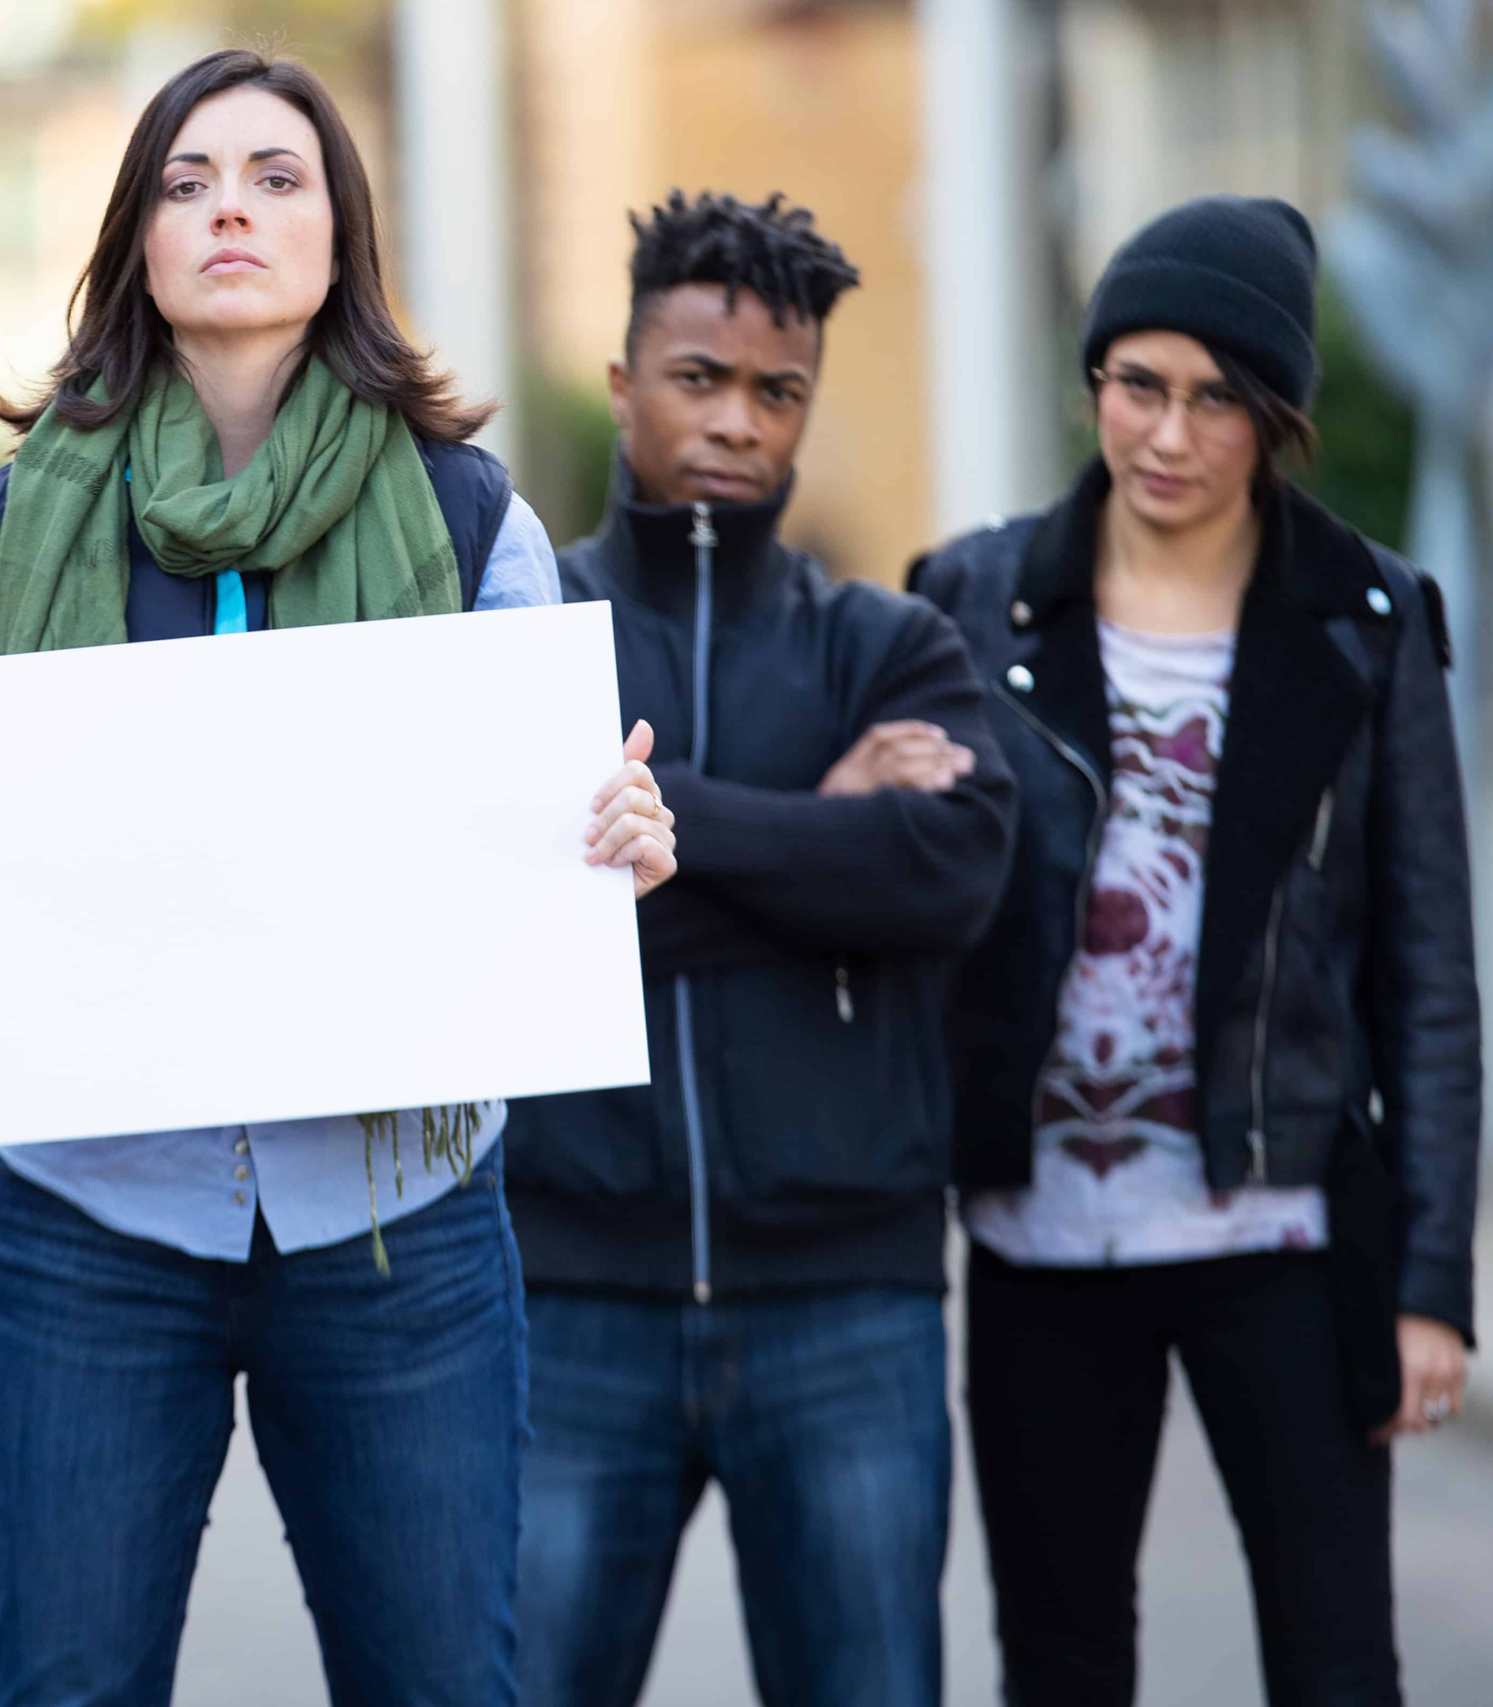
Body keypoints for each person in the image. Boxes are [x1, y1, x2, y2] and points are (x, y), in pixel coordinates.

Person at [0, 49, 676, 1706]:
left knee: (441, 1681)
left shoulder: (470, 518)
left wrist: (617, 848)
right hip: (91, 1222)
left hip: (398, 1229)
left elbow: (548, 837)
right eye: (188, 180)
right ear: (136, 240)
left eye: (278, 179)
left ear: (340, 236)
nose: (230, 208)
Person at [912, 195, 1480, 1707]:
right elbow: (914, 902)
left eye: (1216, 396)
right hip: (1043, 1239)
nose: (1167, 432)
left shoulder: (1364, 617)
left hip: (1281, 1234)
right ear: (1094, 382)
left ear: (1275, 417)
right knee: (1064, 1657)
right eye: (1136, 383)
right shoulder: (970, 598)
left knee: (1338, 1661)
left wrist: (1431, 1279)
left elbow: (1427, 969)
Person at [503, 192, 1016, 1707]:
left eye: (775, 391)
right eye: (698, 378)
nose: (736, 420)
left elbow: (952, 873)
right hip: (571, 1297)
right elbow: (514, 915)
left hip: (846, 1308)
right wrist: (816, 831)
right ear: (622, 384)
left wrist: (662, 841)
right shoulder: (529, 635)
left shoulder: (895, 646)